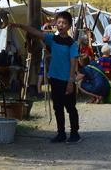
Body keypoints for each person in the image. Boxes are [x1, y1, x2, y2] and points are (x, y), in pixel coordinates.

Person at [10, 11, 81, 144]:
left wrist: (71, 81)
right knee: (58, 107)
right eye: (59, 22)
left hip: (67, 80)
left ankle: (74, 133)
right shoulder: (52, 39)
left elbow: (73, 63)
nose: (61, 25)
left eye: (64, 23)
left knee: (70, 107)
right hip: (55, 79)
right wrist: (20, 25)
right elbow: (36, 32)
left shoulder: (72, 44)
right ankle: (61, 134)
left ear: (69, 26)